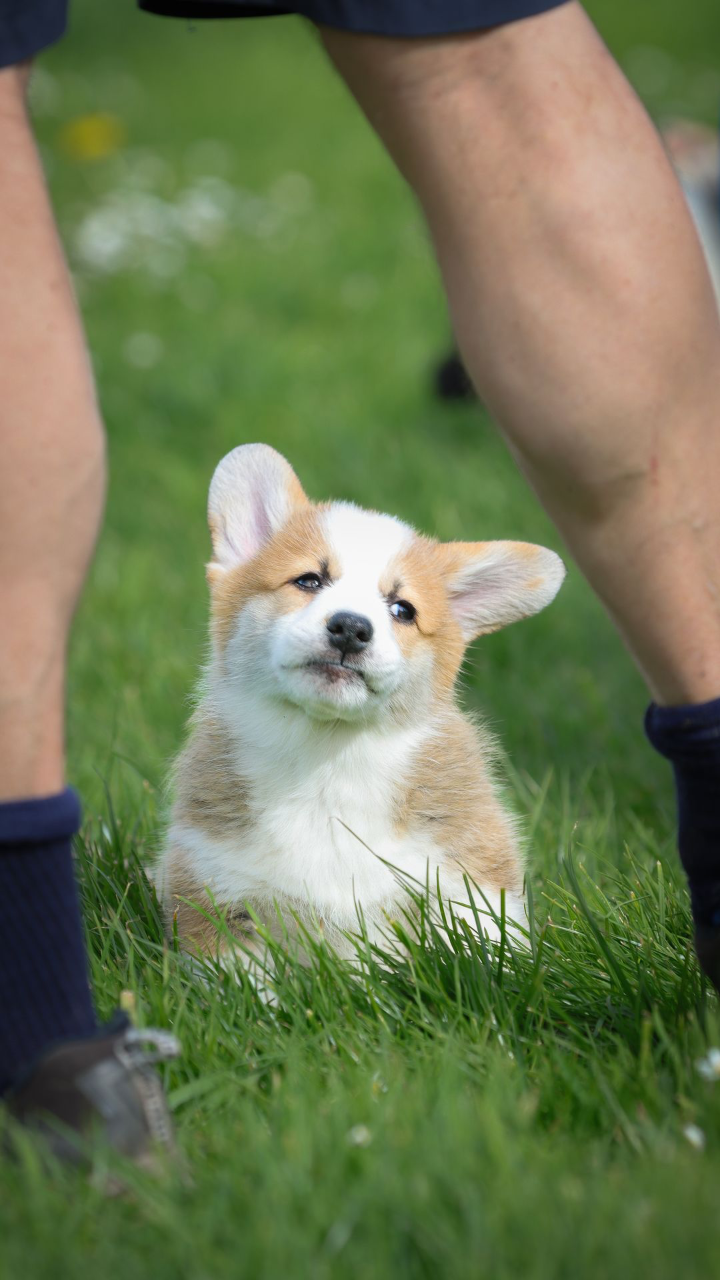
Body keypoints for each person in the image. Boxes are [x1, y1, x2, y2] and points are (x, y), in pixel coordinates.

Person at [2, 0, 720, 1160]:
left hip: (406, 848)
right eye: (312, 583)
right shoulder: (211, 825)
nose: (351, 619)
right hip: (254, 856)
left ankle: (42, 1035)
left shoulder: (451, 808)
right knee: (490, 58)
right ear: (235, 573)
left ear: (444, 639)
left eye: (397, 608)